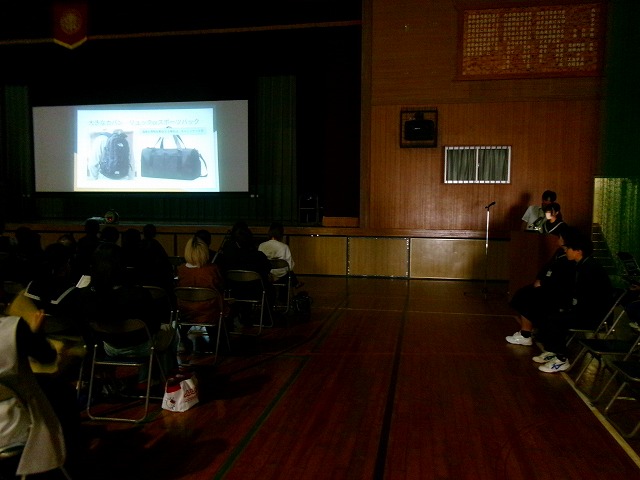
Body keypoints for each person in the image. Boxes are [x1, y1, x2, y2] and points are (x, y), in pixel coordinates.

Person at [60, 242, 178, 384]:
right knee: (171, 333)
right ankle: (165, 381)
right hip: (142, 347)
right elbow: (153, 324)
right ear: (121, 265)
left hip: (109, 347)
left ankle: (146, 378)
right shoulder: (137, 293)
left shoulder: (86, 296)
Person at [517, 227, 613, 373]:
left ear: (578, 251)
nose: (566, 251)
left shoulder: (590, 268)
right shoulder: (581, 265)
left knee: (556, 318)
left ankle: (562, 359)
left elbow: (587, 298)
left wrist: (566, 307)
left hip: (593, 315)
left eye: (569, 249)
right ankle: (552, 351)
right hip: (582, 309)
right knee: (547, 310)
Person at [0, 310, 68, 478]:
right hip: (14, 430)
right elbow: (47, 357)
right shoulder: (12, 328)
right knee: (60, 391)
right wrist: (35, 334)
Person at [506, 232, 575, 346]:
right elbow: (547, 267)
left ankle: (526, 334)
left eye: (560, 237)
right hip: (546, 285)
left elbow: (561, 278)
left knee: (529, 298)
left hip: (556, 290)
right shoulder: (559, 252)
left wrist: (543, 283)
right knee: (523, 293)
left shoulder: (570, 258)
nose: (558, 240)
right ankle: (527, 331)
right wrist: (539, 279)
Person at [176, 235, 225, 356]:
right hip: (209, 312)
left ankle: (183, 339)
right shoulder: (212, 269)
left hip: (186, 311)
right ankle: (220, 344)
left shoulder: (181, 270)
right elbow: (221, 286)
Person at [258, 221, 304, 289]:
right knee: (289, 273)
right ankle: (294, 284)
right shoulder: (284, 247)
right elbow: (290, 266)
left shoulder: (261, 246)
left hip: (266, 276)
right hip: (281, 276)